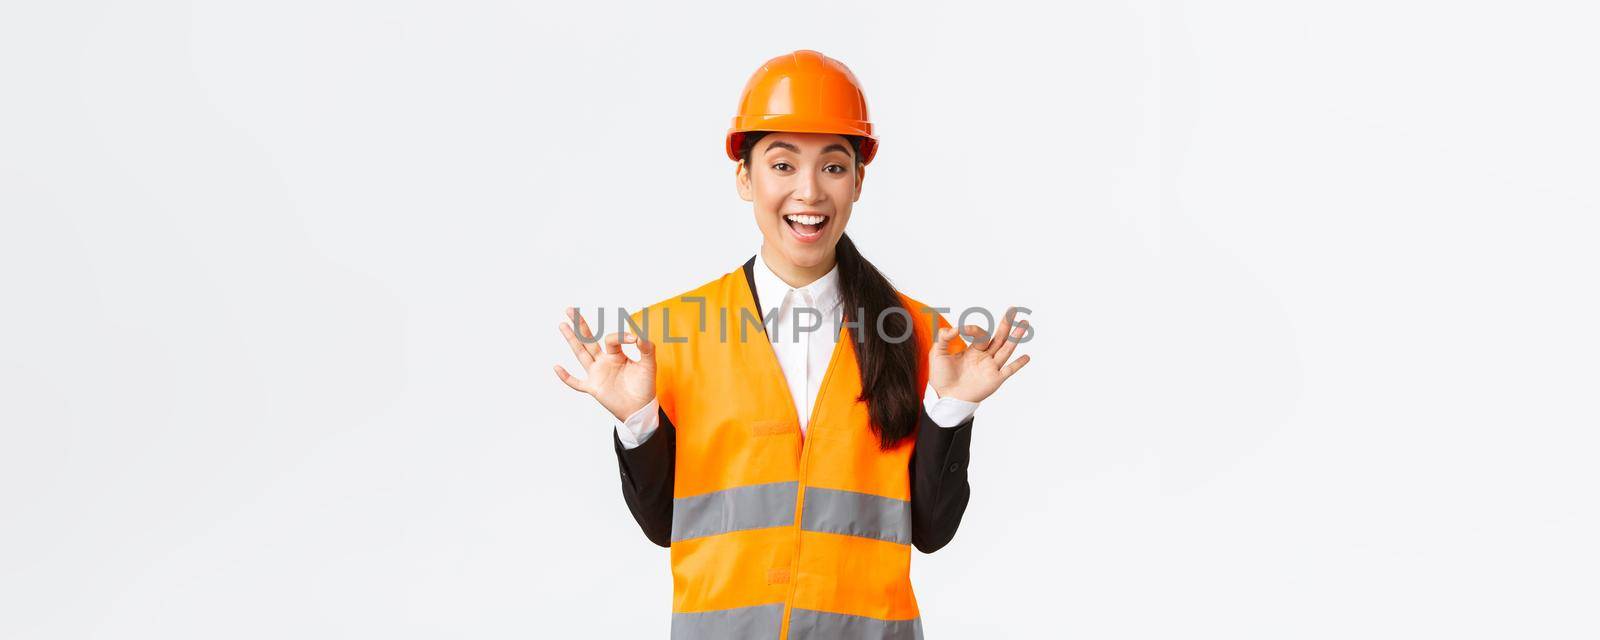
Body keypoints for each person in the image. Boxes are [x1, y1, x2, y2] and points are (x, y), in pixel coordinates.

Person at [554, 49, 1031, 640]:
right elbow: (663, 525)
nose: (809, 191)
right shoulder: (667, 337)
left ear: (858, 180)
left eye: (832, 167)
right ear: (744, 177)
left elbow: (931, 530)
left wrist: (952, 411)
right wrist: (637, 421)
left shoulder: (923, 339)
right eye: (782, 165)